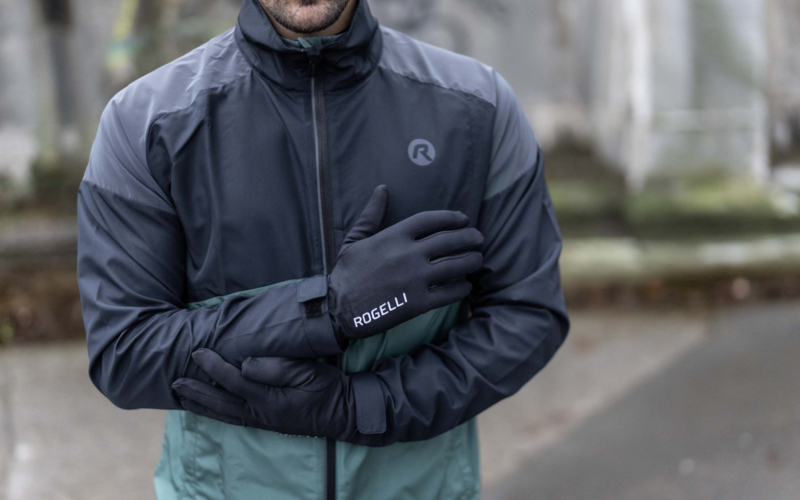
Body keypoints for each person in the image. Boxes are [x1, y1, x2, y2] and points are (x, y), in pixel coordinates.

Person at [77, 0, 570, 498]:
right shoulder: (145, 122)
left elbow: (528, 313)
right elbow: (126, 351)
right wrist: (327, 310)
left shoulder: (477, 106)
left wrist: (366, 406)